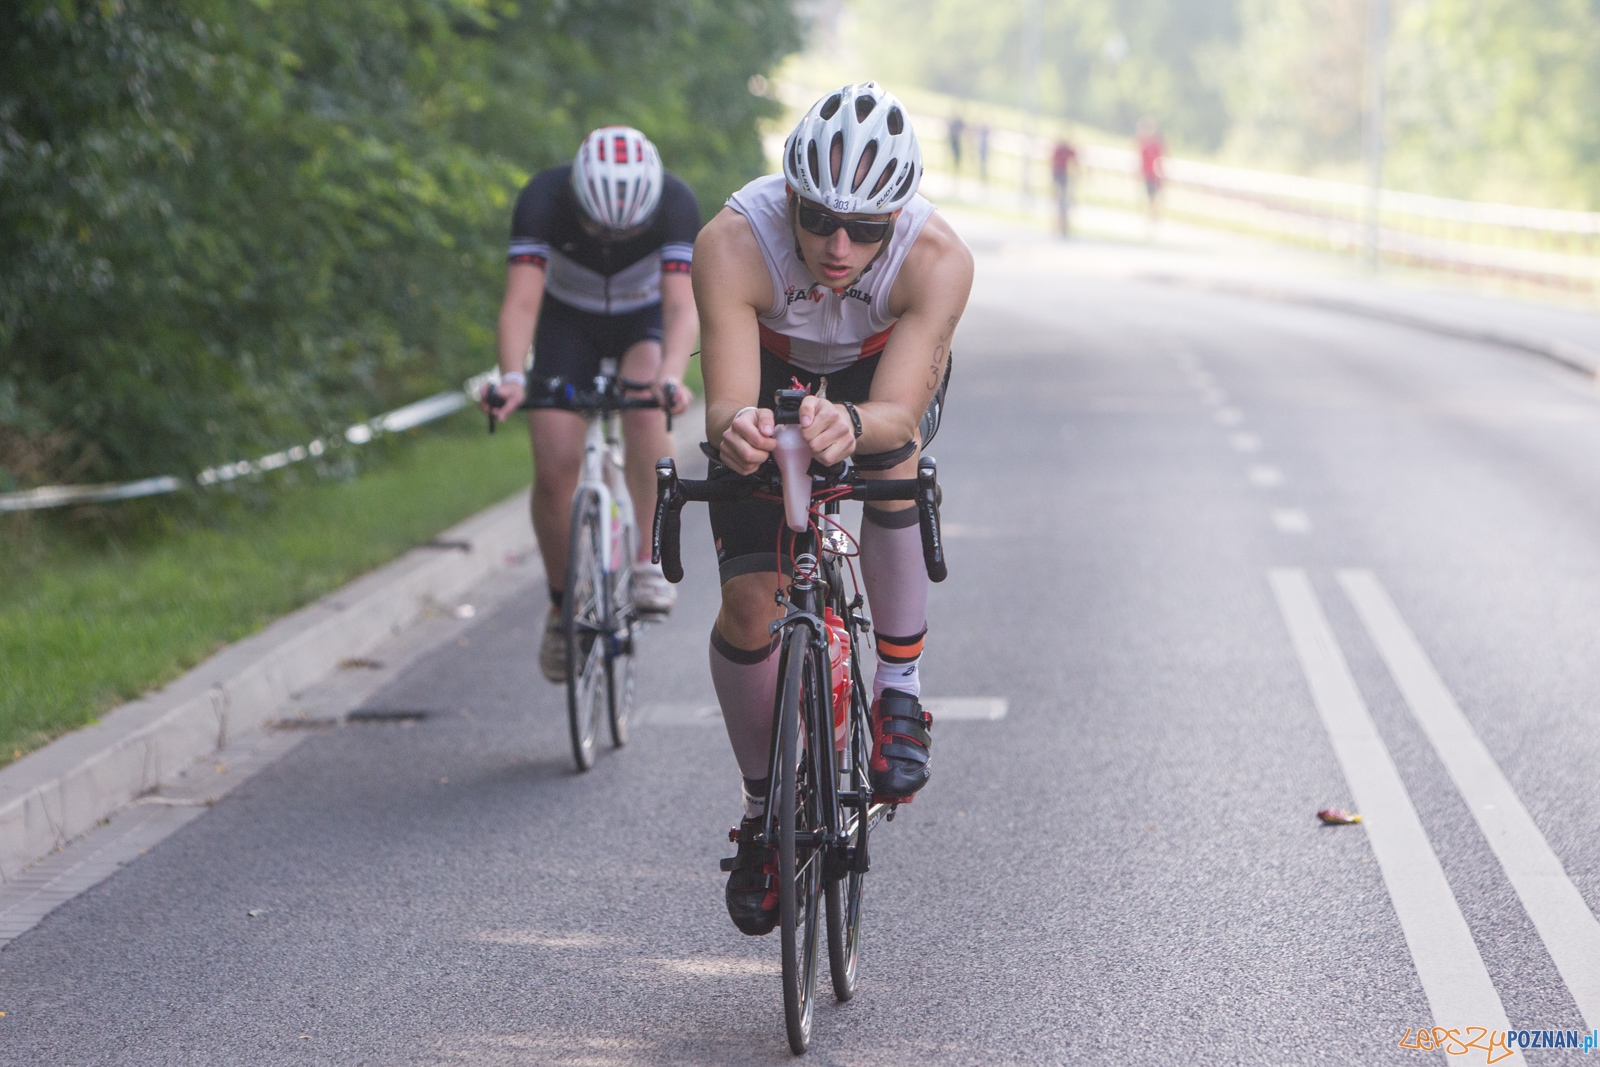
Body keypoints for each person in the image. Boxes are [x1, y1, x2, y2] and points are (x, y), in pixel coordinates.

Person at [692, 83, 974, 935]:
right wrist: (738, 430)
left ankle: (899, 690)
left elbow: (895, 412)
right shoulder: (734, 241)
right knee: (750, 602)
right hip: (772, 371)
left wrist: (848, 423)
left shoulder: (936, 258)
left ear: (898, 216)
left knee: (893, 463)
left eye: (866, 228)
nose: (839, 246)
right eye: (817, 220)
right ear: (790, 198)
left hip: (874, 382)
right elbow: (723, 404)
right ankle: (763, 809)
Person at [482, 126, 699, 683]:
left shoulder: (675, 202)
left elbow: (681, 307)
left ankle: (648, 562)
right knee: (556, 465)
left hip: (642, 320)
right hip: (567, 325)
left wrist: (672, 377)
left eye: (626, 230)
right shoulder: (543, 197)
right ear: (576, 198)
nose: (611, 238)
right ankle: (561, 609)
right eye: (598, 227)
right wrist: (513, 377)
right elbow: (521, 302)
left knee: (647, 406)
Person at [1137, 117, 1164, 220]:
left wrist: (1161, 173)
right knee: (1150, 195)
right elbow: (1141, 160)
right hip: (1147, 174)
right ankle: (1151, 214)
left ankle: (1155, 215)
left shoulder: (1156, 145)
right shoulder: (1144, 144)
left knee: (1154, 195)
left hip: (1155, 175)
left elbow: (1159, 160)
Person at [1051, 138, 1078, 236]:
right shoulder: (1059, 150)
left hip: (1064, 176)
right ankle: (1058, 224)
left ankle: (1062, 224)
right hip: (1060, 175)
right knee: (1059, 200)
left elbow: (1075, 161)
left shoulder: (1066, 150)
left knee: (1063, 200)